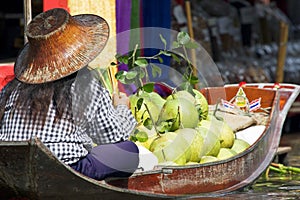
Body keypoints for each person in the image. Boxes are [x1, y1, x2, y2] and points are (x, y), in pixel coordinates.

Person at [0, 8, 139, 180]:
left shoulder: (12, 88)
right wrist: (122, 109)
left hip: (14, 170)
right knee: (129, 151)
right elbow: (113, 137)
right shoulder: (86, 86)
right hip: (65, 171)